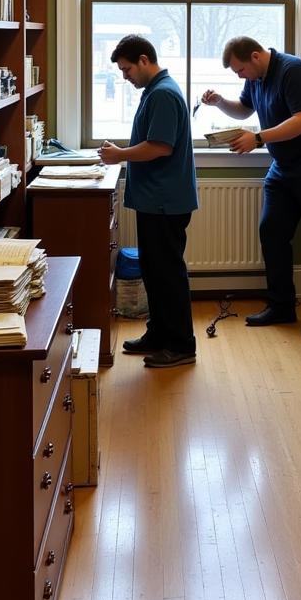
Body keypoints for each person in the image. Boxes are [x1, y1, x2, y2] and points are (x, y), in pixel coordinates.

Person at [201, 37, 301, 338]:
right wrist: (219, 102)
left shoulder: (294, 71)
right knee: (271, 231)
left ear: (255, 57)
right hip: (284, 167)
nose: (240, 77)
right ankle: (281, 305)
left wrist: (257, 139)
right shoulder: (257, 78)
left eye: (241, 71)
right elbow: (243, 110)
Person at [99, 35, 198, 367]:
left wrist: (119, 156)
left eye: (127, 70)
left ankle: (182, 345)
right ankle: (158, 333)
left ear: (144, 60)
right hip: (155, 199)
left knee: (168, 273)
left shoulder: (164, 94)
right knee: (154, 272)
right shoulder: (155, 91)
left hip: (165, 201)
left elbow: (160, 147)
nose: (125, 77)